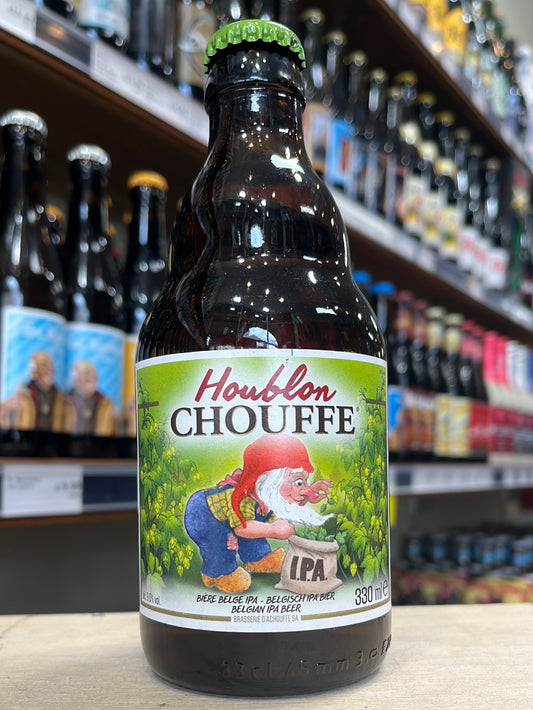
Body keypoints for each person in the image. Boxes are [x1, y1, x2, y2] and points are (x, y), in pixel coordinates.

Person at [184, 433, 333, 593]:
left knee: (257, 528)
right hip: (205, 515)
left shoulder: (267, 495)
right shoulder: (244, 498)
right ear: (272, 480)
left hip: (237, 518)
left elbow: (289, 503)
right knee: (221, 543)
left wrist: (309, 494)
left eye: (304, 481)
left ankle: (258, 559)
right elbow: (242, 529)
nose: (303, 487)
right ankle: (218, 573)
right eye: (298, 482)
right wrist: (273, 530)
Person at [64, 360, 117, 436]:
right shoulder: (64, 401)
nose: (91, 378)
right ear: (75, 379)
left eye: (94, 375)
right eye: (86, 373)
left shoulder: (106, 404)